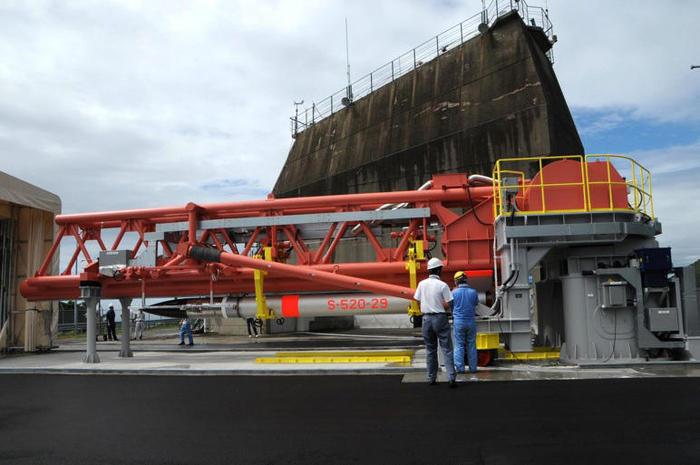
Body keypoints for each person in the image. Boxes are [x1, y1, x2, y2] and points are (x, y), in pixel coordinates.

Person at [413, 257, 456, 387]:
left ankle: (431, 378)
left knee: (430, 349)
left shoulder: (421, 284)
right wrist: (440, 306)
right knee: (447, 349)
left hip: (426, 319)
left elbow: (417, 299)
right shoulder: (442, 285)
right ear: (438, 270)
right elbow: (449, 303)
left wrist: (428, 305)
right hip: (440, 318)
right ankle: (451, 378)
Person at [452, 271, 480, 374]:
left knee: (459, 345)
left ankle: (460, 368)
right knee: (471, 344)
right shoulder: (473, 292)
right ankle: (473, 368)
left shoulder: (454, 293)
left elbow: (451, 306)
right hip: (471, 322)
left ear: (456, 281)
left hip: (459, 322)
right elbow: (476, 304)